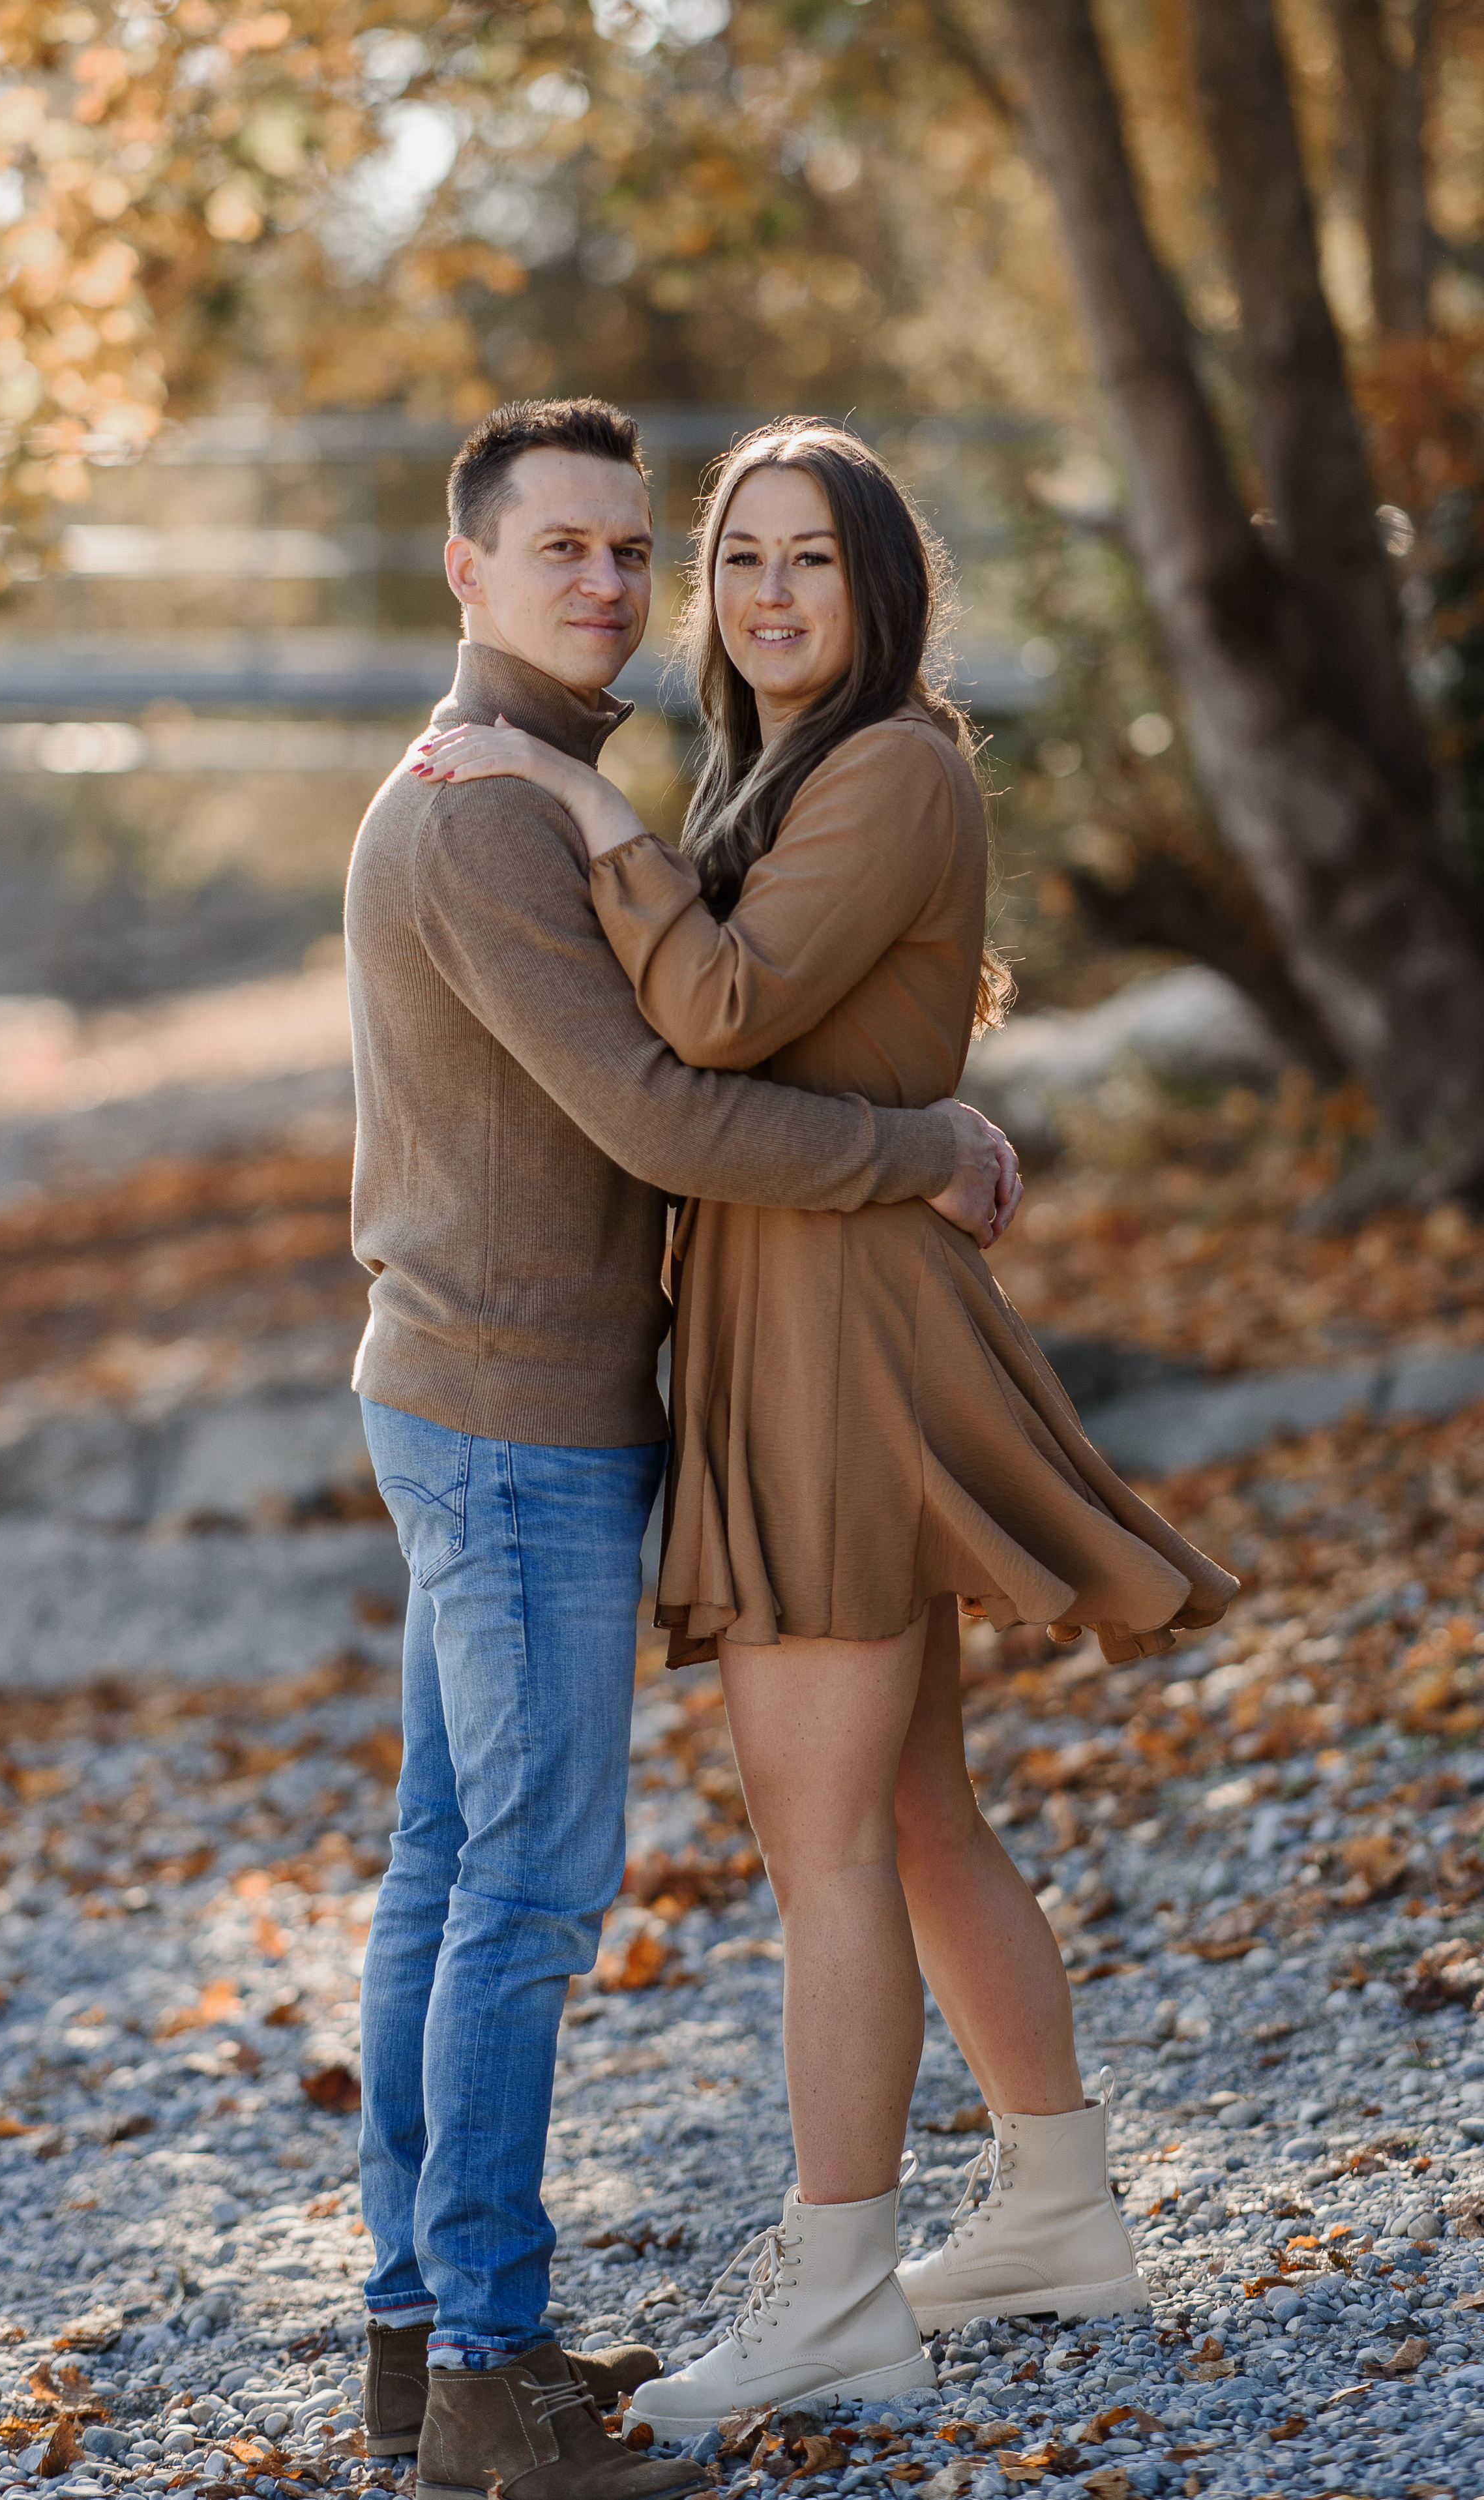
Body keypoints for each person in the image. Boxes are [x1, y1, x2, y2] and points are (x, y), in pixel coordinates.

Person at [409, 417, 1239, 2439]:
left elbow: (709, 1019)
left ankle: (839, 2288)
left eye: (814, 559)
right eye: (744, 559)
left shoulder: (889, 768)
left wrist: (560, 791)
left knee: (825, 1840)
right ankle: (1057, 2205)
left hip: (834, 1336)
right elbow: (768, 1024)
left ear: (884, 588)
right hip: (806, 1312)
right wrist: (915, 1122)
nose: (769, 594)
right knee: (918, 1806)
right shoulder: (779, 774)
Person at [344, 397, 1023, 2500]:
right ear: (466, 570)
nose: (612, 582)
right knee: (525, 1892)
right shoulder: (488, 815)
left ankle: (419, 2342)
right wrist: (923, 1147)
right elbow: (668, 1107)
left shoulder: (519, 785)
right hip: (516, 1418)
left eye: (633, 548)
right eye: (562, 547)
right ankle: (484, 2369)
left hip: (480, 1394)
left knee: (453, 1870)